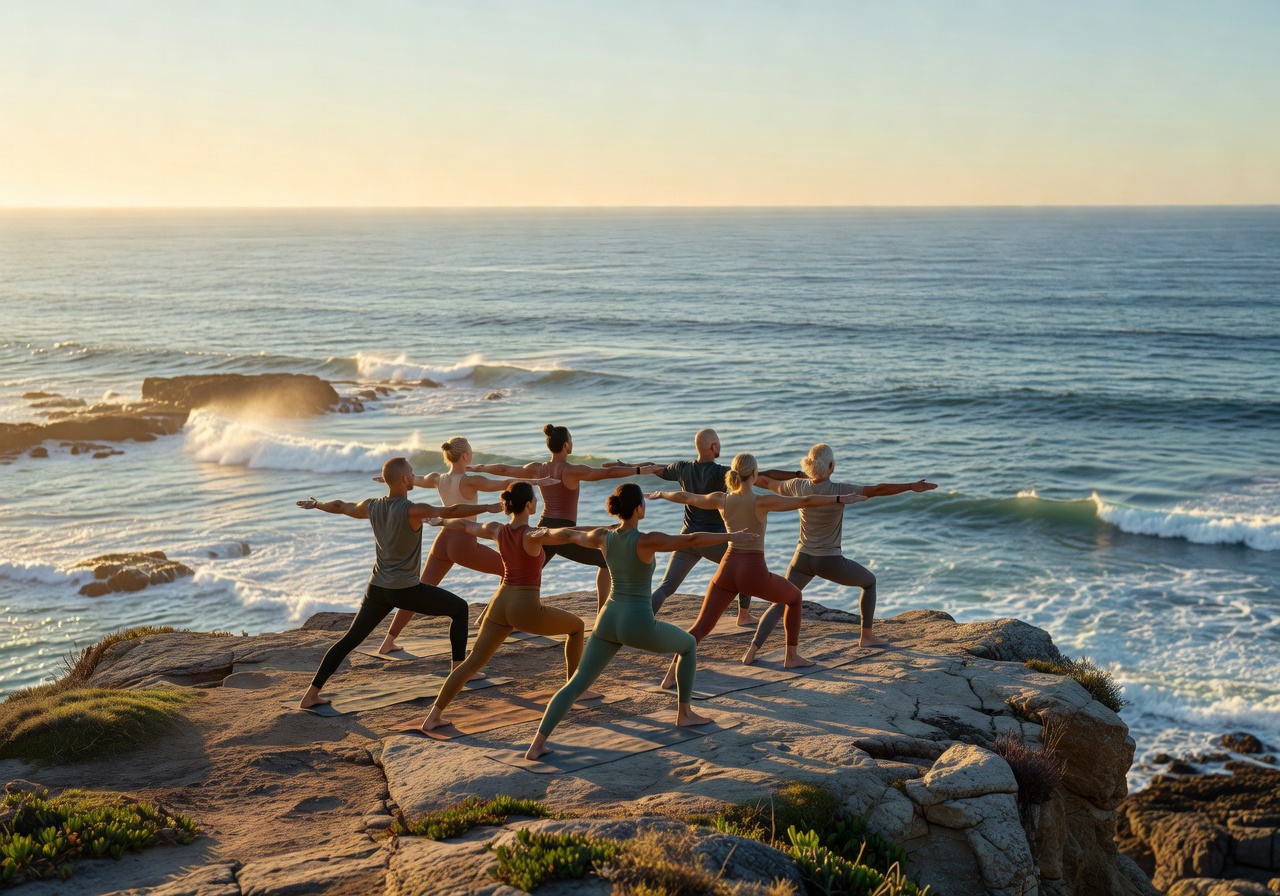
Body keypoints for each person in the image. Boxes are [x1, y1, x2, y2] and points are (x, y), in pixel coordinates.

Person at [523, 483, 760, 760]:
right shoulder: (646, 540)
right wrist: (731, 536)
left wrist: (541, 532)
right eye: (643, 504)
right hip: (636, 623)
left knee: (575, 683)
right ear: (637, 509)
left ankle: (536, 745)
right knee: (687, 646)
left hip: (606, 621)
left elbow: (568, 534)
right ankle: (684, 714)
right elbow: (690, 540)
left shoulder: (603, 536)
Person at [294, 456, 502, 710]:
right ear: (404, 479)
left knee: (350, 639)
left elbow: (341, 505)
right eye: (412, 474)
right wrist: (489, 507)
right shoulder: (414, 510)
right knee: (460, 609)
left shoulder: (372, 506)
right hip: (404, 589)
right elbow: (451, 511)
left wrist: (317, 504)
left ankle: (311, 694)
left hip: (377, 588)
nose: (415, 477)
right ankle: (460, 670)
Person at [648, 452, 867, 689]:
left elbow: (686, 496)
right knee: (794, 597)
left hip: (727, 570)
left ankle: (670, 677)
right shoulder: (761, 502)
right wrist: (839, 499)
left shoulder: (721, 499)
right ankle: (791, 657)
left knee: (701, 627)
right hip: (753, 572)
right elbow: (804, 501)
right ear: (754, 474)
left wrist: (662, 494)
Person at [416, 481, 600, 732]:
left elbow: (466, 525)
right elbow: (570, 534)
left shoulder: (496, 529)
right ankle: (574, 690)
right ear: (528, 505)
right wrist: (609, 530)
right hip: (524, 607)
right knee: (577, 627)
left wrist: (440, 521)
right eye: (535, 500)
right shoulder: (533, 535)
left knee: (471, 663)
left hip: (499, 604)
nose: (536, 503)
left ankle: (433, 717)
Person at [744, 443, 937, 660]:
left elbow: (765, 480)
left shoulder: (796, 486)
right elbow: (878, 489)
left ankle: (751, 651)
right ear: (831, 467)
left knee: (781, 602)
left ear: (809, 466)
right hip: (829, 561)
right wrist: (911, 486)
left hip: (802, 559)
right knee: (869, 582)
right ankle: (867, 636)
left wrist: (743, 473)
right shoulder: (839, 490)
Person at [373, 436, 559, 655]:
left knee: (418, 589)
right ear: (465, 456)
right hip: (463, 543)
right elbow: (503, 484)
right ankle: (493, 619)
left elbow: (419, 479)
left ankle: (388, 641)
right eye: (470, 451)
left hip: (443, 541)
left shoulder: (438, 478)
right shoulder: (469, 481)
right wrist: (537, 482)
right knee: (509, 571)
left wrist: (387, 481)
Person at [608, 428, 801, 626]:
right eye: (718, 443)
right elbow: (766, 475)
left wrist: (630, 466)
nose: (720, 446)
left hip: (687, 538)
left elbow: (654, 467)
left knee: (666, 586)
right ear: (713, 446)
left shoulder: (682, 468)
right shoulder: (721, 472)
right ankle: (743, 615)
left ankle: (638, 623)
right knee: (742, 564)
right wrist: (797, 475)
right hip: (712, 539)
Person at [467, 424, 662, 609]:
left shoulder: (538, 468)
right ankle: (602, 611)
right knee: (604, 561)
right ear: (566, 445)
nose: (572, 442)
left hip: (543, 528)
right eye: (571, 439)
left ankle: (489, 613)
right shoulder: (571, 470)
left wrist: (480, 467)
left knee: (519, 571)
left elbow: (505, 469)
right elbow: (606, 473)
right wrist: (637, 470)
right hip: (562, 532)